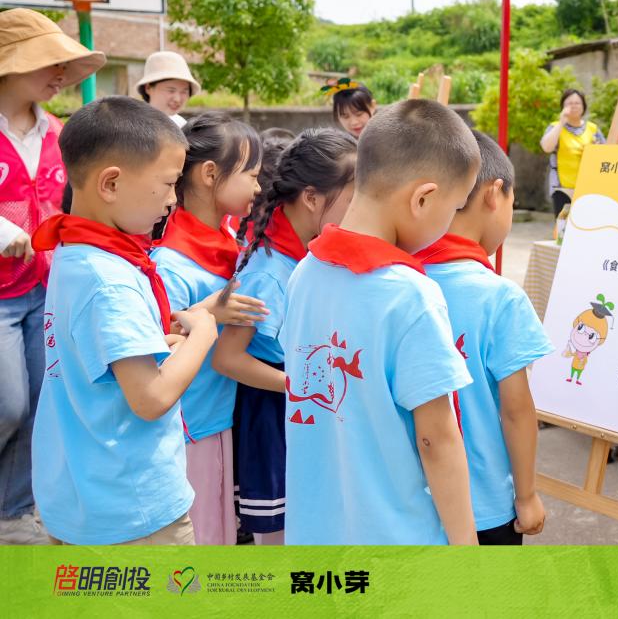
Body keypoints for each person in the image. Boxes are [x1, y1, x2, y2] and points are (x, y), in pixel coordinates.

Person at [281, 99, 479, 545]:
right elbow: (437, 440)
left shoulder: (304, 273)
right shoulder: (409, 295)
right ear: (423, 198)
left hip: (315, 535)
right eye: (454, 209)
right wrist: (469, 552)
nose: (450, 224)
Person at [29, 97, 216, 545]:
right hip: (133, 510)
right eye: (169, 183)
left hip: (77, 495)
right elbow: (150, 398)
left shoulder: (74, 256)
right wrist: (204, 334)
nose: (173, 200)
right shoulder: (110, 280)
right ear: (110, 183)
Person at [212, 129, 357, 545]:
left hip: (294, 406)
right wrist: (299, 387)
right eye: (354, 198)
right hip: (274, 417)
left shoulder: (301, 253)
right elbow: (228, 359)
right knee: (281, 541)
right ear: (312, 199)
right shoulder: (267, 273)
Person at [417, 131, 552, 545]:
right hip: (485, 506)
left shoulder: (399, 279)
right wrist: (526, 496)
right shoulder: (499, 296)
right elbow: (516, 410)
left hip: (412, 503)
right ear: (495, 194)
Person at [0, 8, 104, 545]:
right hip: (1, 295)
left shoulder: (61, 134)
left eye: (65, 63)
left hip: (46, 288)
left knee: (41, 402)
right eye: (49, 61)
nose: (60, 72)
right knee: (8, 403)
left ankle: (15, 511)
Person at [152, 113, 268, 545]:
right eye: (251, 175)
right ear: (209, 174)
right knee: (201, 538)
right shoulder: (172, 262)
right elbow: (157, 346)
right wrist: (205, 316)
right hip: (191, 425)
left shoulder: (224, 244)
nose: (258, 187)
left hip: (216, 416)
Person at [539, 89, 604, 217]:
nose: (573, 106)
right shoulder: (555, 127)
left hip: (589, 188)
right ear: (563, 106)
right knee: (564, 229)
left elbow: (606, 154)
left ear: (583, 106)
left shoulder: (593, 128)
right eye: (569, 103)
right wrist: (562, 122)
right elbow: (546, 147)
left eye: (577, 103)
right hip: (563, 189)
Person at [136, 50, 200, 127]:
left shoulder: (183, 125)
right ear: (148, 88)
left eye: (184, 92)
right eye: (171, 90)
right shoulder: (131, 125)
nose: (177, 99)